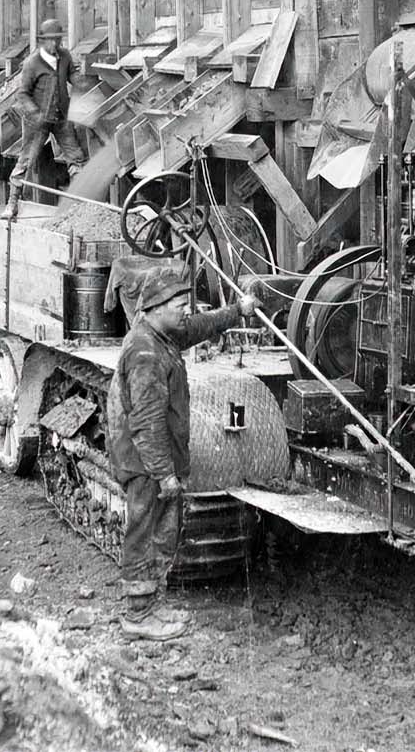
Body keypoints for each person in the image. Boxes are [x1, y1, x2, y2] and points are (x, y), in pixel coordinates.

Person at [105, 263, 259, 641]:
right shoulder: (145, 353)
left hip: (156, 457)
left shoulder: (163, 335)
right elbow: (147, 422)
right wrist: (164, 474)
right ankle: (138, 614)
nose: (185, 309)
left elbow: (196, 328)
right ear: (155, 308)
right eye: (178, 303)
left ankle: (151, 602)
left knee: (162, 530)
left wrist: (237, 311)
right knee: (144, 528)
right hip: (144, 460)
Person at [4, 18, 85, 220]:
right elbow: (22, 94)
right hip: (36, 123)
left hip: (61, 118)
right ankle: (12, 204)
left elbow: (72, 76)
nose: (55, 44)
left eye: (58, 40)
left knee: (76, 158)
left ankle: (81, 206)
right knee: (26, 161)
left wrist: (83, 83)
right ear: (42, 41)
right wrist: (35, 113)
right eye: (51, 40)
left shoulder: (65, 56)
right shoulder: (32, 63)